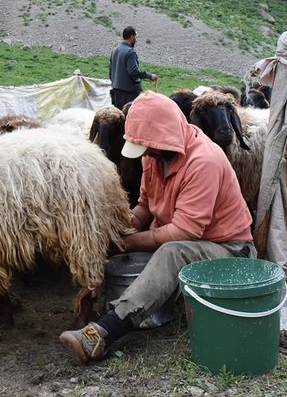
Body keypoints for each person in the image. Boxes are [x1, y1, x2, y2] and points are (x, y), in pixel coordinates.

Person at [59, 91, 254, 363]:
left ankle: (104, 332)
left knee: (171, 253)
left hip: (231, 251)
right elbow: (145, 206)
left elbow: (185, 232)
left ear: (163, 135)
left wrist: (130, 241)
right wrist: (120, 228)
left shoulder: (203, 161)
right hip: (191, 245)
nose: (145, 152)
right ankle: (103, 309)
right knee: (132, 252)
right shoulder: (154, 157)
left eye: (148, 146)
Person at [109, 26, 157, 110]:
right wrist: (150, 76)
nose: (136, 40)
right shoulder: (130, 52)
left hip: (116, 92)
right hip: (128, 94)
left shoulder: (115, 50)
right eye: (135, 37)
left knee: (119, 119)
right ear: (132, 37)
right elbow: (133, 71)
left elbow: (110, 72)